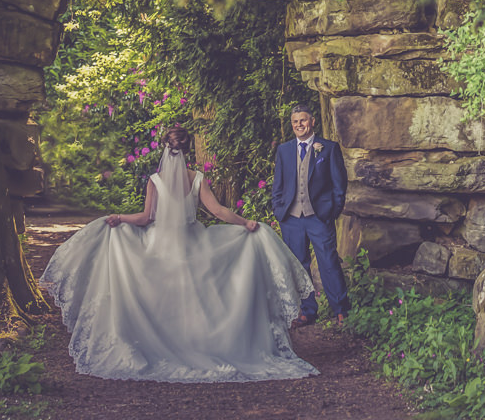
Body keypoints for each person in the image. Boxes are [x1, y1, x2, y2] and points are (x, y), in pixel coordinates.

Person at [40, 126, 318, 382]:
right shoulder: (197, 178)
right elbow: (218, 211)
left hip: (160, 247)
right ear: (186, 152)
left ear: (164, 149)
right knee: (201, 298)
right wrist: (246, 223)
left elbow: (146, 218)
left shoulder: (155, 180)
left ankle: (160, 345)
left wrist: (119, 217)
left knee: (160, 297)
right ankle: (203, 344)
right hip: (194, 243)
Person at [271, 104, 350, 326]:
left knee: (329, 262)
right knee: (299, 265)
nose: (299, 125)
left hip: (319, 217)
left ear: (312, 121)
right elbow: (278, 184)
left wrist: (332, 211)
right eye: (295, 122)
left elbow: (339, 185)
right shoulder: (284, 150)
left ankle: (340, 309)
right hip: (292, 218)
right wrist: (279, 211)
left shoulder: (328, 148)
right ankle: (308, 311)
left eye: (303, 120)